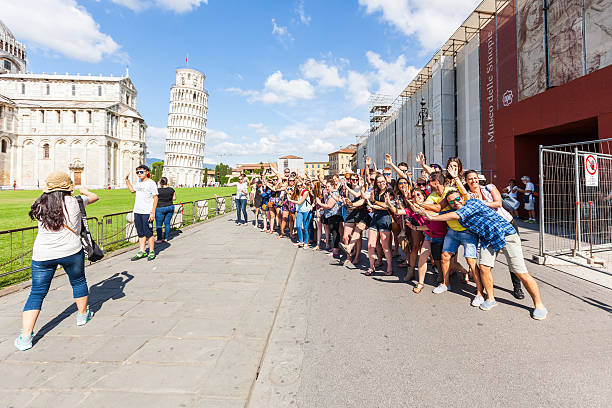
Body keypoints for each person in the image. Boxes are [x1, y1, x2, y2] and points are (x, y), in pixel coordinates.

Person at [419, 191, 548, 320]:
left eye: (457, 198)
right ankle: (491, 299)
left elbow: (455, 215)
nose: (455, 202)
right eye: (451, 201)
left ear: (462, 198)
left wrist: (432, 217)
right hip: (488, 239)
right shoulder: (454, 210)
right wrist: (418, 207)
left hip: (506, 235)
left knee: (520, 272)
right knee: (484, 267)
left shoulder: (473, 203)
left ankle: (539, 305)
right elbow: (438, 213)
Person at [15, 171, 99, 351]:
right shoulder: (76, 201)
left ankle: (25, 336)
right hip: (71, 251)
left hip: (43, 254)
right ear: (68, 186)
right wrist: (84, 190)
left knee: (37, 293)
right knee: (78, 282)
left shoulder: (38, 204)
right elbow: (94, 197)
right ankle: (82, 315)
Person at [464, 170, 525, 300]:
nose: (474, 180)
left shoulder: (489, 187)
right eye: (470, 179)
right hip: (488, 230)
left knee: (512, 259)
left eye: (475, 178)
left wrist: (480, 203)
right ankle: (484, 287)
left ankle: (517, 287)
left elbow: (498, 203)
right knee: (485, 263)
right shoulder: (468, 195)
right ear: (466, 181)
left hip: (507, 225)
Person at [126, 165, 158, 261]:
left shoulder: (151, 183)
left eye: (141, 172)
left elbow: (155, 198)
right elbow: (132, 190)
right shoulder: (139, 182)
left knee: (148, 233)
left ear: (147, 172)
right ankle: (142, 251)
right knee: (140, 233)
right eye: (137, 172)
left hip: (146, 212)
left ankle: (151, 251)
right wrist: (127, 180)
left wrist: (153, 212)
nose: (139, 174)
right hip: (137, 211)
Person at [366, 174, 394, 276]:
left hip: (385, 219)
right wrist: (372, 206)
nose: (381, 184)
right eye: (379, 182)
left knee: (385, 246)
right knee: (370, 245)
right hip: (375, 218)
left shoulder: (389, 191)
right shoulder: (376, 192)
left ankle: (389, 266)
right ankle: (371, 266)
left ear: (386, 181)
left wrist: (374, 203)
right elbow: (371, 203)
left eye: (383, 181)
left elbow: (387, 206)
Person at [288, 179, 313, 248]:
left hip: (306, 211)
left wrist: (290, 200)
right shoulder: (296, 192)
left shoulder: (305, 192)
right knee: (298, 226)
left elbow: (300, 202)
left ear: (303, 186)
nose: (299, 187)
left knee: (305, 227)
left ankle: (306, 243)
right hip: (299, 211)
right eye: (298, 185)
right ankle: (301, 241)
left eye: (300, 185)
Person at [155, 177, 176, 243]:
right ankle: (166, 238)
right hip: (170, 206)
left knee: (159, 225)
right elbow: (174, 198)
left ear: (160, 182)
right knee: (167, 223)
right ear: (167, 182)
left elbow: (154, 199)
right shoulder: (172, 190)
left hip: (160, 207)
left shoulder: (157, 190)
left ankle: (159, 239)